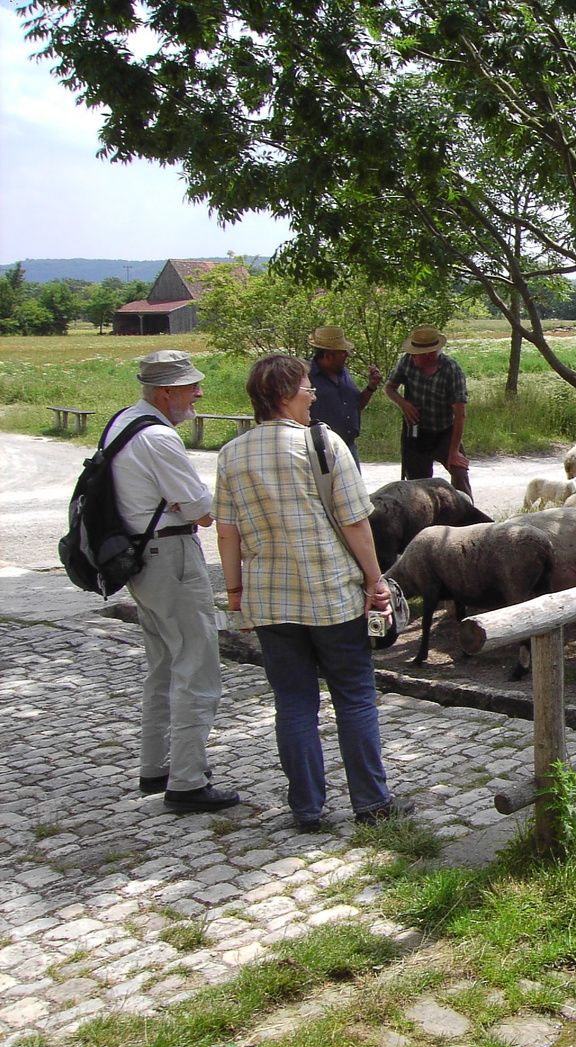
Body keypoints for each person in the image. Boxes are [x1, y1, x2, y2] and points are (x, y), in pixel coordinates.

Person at [214, 354, 410, 832]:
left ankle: (306, 809)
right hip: (331, 595)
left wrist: (235, 593)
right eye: (307, 389)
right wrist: (375, 580)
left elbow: (226, 532)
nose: (313, 395)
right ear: (284, 395)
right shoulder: (323, 444)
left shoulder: (231, 454)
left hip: (270, 601)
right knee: (355, 697)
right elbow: (355, 521)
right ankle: (371, 803)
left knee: (294, 703)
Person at [105, 350, 240, 811]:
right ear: (167, 392)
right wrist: (196, 504)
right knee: (196, 666)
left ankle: (156, 767)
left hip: (140, 558)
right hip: (170, 556)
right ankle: (186, 781)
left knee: (163, 665)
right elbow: (202, 511)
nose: (199, 393)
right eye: (191, 387)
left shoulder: (123, 422)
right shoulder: (160, 438)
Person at [384, 323, 472, 498]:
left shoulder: (451, 370)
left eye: (416, 354)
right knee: (416, 485)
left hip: (445, 431)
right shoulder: (406, 362)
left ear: (430, 354)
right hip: (417, 433)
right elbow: (389, 388)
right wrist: (403, 404)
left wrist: (454, 452)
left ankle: (469, 517)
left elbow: (460, 414)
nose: (411, 356)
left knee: (459, 471)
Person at [307, 325, 383, 464]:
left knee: (354, 486)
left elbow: (355, 406)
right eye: (343, 352)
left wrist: (371, 386)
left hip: (348, 447)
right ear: (327, 355)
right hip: (319, 452)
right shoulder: (306, 376)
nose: (347, 355)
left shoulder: (344, 373)